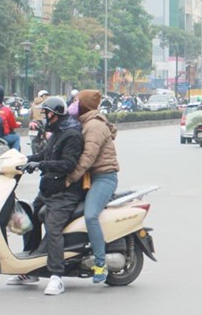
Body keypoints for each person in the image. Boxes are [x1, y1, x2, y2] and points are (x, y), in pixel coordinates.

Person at [8, 97, 85, 296]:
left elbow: (68, 164)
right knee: (30, 217)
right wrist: (26, 160)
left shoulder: (72, 135)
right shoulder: (57, 133)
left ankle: (57, 276)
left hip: (65, 193)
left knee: (53, 228)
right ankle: (31, 270)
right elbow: (45, 155)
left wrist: (41, 165)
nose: (45, 116)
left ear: (56, 114)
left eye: (47, 113)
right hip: (48, 190)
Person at [65, 90, 120, 284]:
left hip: (103, 178)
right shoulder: (84, 122)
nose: (73, 104)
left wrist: (70, 178)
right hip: (90, 178)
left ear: (84, 105)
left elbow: (87, 158)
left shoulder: (95, 126)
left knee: (90, 215)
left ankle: (100, 263)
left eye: (76, 101)